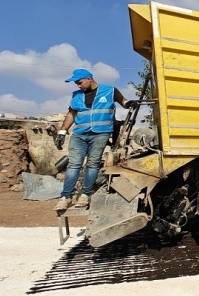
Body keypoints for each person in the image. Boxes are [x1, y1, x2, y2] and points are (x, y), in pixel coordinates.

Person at [53, 69, 137, 211]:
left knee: (92, 164)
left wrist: (130, 104)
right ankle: (65, 197)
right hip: (79, 134)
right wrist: (62, 131)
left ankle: (85, 195)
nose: (78, 86)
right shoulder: (76, 95)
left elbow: (124, 102)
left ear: (89, 79)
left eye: (79, 82)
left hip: (100, 134)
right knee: (74, 165)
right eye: (76, 83)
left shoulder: (109, 90)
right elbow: (71, 114)